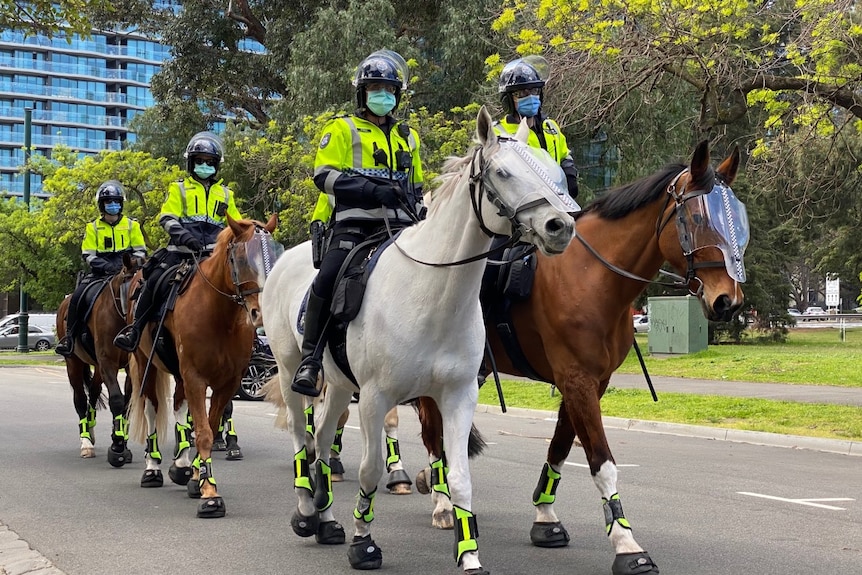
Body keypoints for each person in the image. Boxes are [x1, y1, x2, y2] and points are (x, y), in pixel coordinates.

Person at [291, 49, 425, 397]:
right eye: (375, 88)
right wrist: (370, 190)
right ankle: (310, 359)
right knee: (329, 276)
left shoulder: (409, 136)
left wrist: (419, 209)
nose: (384, 95)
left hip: (400, 228)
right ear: (362, 93)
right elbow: (323, 176)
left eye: (390, 90)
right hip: (355, 227)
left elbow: (418, 186)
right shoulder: (341, 129)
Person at [113, 131, 242, 352]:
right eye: (199, 161)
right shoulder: (179, 188)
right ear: (191, 163)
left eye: (209, 162)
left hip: (215, 256)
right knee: (153, 280)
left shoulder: (226, 194)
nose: (204, 165)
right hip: (181, 253)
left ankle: (250, 340)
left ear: (216, 165)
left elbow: (237, 225)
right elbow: (167, 218)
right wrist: (186, 237)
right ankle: (135, 331)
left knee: (243, 286)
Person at [56, 181, 146, 357]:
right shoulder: (93, 227)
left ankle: (142, 333)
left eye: (116, 202)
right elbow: (88, 254)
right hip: (100, 272)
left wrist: (129, 264)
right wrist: (107, 266)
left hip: (127, 270)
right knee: (77, 297)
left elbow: (141, 250)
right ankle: (69, 338)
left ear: (121, 204)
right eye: (108, 202)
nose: (113, 205)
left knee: (145, 292)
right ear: (102, 205)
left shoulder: (131, 225)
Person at [495, 56, 579, 199]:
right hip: (525, 206)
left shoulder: (550, 126)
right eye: (521, 93)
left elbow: (564, 154)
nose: (531, 97)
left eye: (534, 91)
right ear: (508, 100)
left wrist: (569, 172)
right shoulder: (499, 133)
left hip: (558, 200)